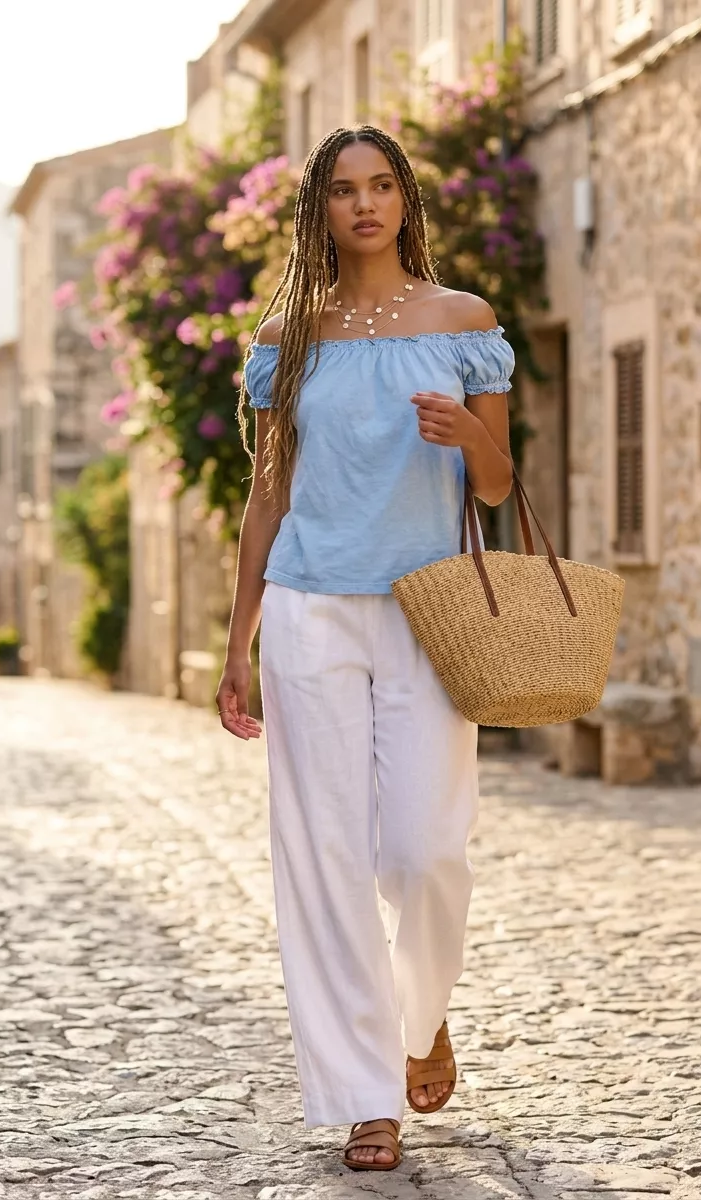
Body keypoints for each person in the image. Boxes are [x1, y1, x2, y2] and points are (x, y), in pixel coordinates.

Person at [216, 124, 515, 1172]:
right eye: (343, 190)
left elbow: (495, 484)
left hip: (429, 605)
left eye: (381, 184)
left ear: (404, 200)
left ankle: (418, 1015)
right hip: (309, 610)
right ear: (320, 211)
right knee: (326, 856)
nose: (364, 204)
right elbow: (265, 499)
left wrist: (467, 438)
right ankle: (364, 1093)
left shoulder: (462, 321)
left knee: (425, 851)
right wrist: (237, 641)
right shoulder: (287, 338)